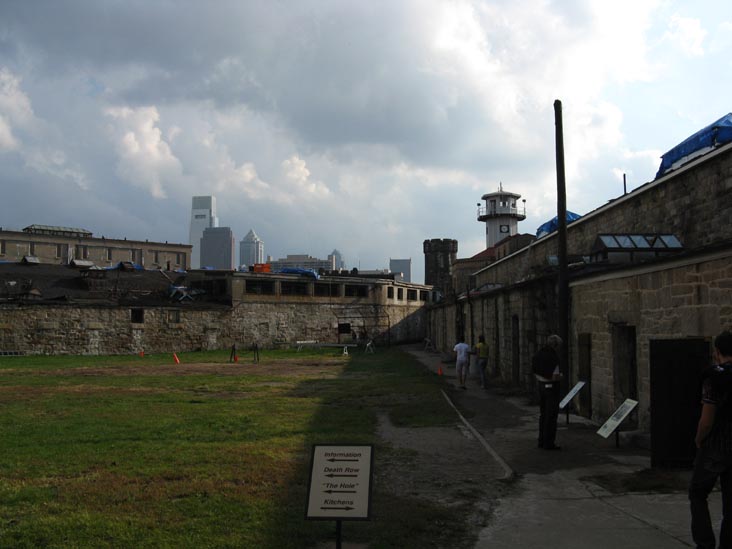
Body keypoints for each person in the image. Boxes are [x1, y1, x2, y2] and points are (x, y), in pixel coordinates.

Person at [689, 330, 732, 549]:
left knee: (698, 493)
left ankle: (705, 543)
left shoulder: (714, 377)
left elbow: (707, 418)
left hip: (716, 444)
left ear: (717, 352)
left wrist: (699, 438)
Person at [532, 334, 563, 450]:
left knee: (543, 414)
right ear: (555, 345)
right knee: (551, 415)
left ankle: (541, 440)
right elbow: (554, 376)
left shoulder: (539, 354)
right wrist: (561, 376)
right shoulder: (553, 357)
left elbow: (534, 369)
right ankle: (549, 443)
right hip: (551, 388)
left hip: (541, 386)